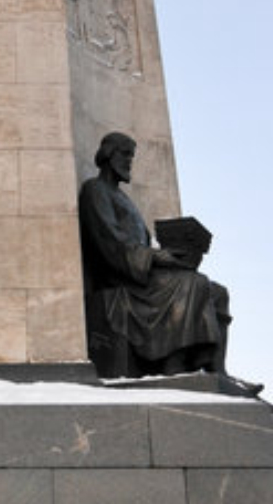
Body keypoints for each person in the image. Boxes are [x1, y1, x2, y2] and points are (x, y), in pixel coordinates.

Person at [78, 131, 252, 385]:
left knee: (218, 293)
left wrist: (177, 253)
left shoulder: (124, 199)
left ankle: (217, 369)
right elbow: (110, 242)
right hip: (122, 276)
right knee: (193, 284)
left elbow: (143, 242)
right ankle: (174, 365)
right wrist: (157, 257)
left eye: (131, 156)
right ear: (108, 155)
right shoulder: (95, 190)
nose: (129, 161)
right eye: (125, 154)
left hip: (143, 272)